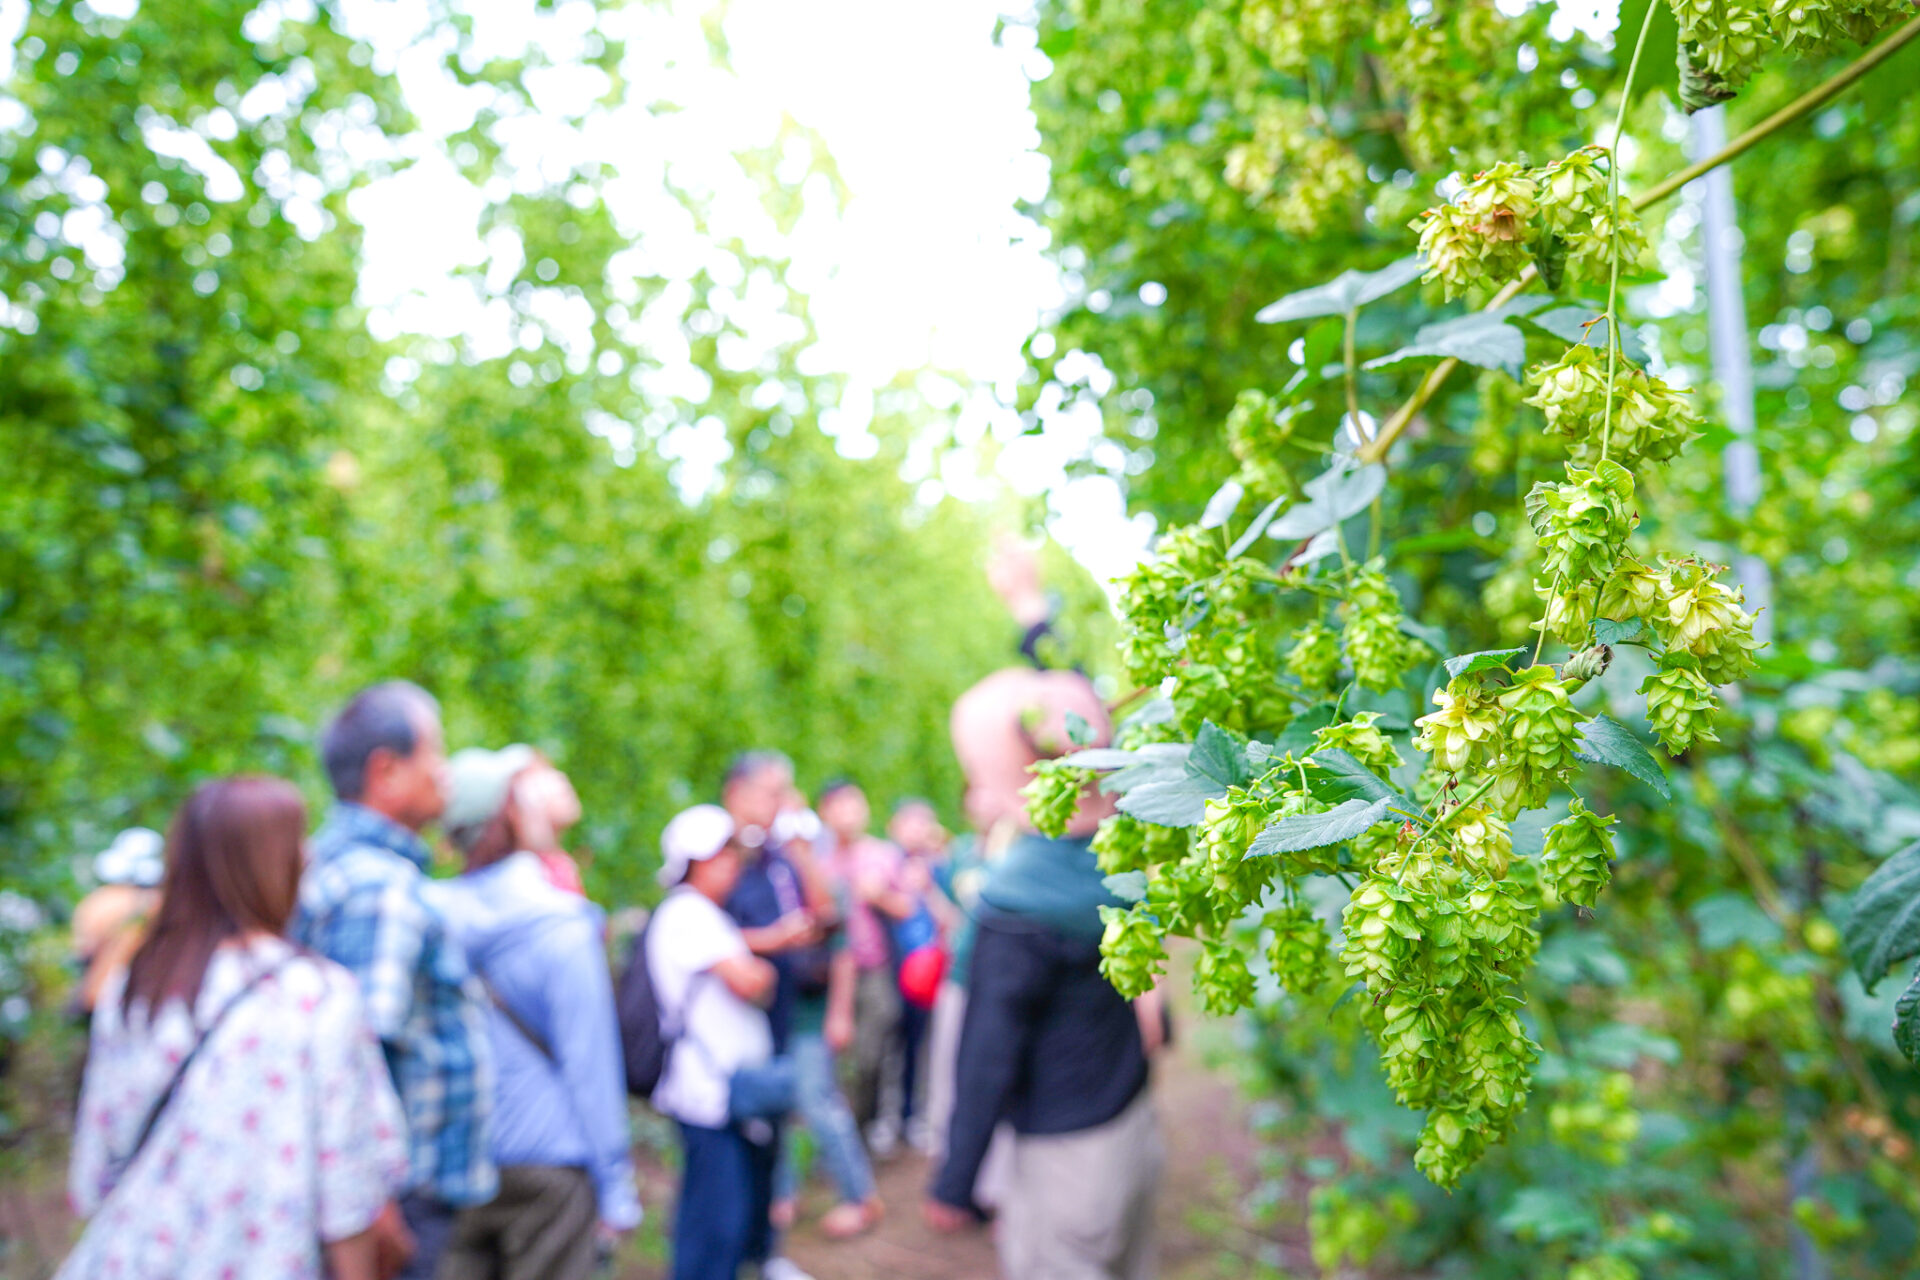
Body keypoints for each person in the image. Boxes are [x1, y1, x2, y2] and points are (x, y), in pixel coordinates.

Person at [63, 776, 409, 1280]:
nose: (308, 857)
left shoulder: (136, 986)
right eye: (297, 843)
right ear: (273, 864)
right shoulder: (318, 997)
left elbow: (94, 1168)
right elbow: (348, 1195)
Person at [926, 667, 1167, 1280]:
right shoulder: (1122, 857)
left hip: (1064, 1150)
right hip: (1130, 1120)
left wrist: (956, 1179)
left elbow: (988, 1055)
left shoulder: (1016, 905)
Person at [293, 681, 497, 1280]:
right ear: (386, 771)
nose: (445, 772)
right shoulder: (379, 887)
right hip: (395, 1199)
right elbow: (356, 1050)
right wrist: (373, 1200)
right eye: (435, 751)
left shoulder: (349, 868)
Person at [432, 746, 643, 1280]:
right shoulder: (561, 927)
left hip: (455, 1159)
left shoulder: (430, 916)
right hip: (551, 1165)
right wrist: (615, 1187)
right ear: (512, 816)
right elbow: (589, 1064)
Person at [647, 804, 780, 1280]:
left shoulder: (706, 914)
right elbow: (750, 981)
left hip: (720, 1090)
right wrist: (759, 972)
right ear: (693, 861)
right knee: (714, 1224)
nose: (731, 864)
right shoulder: (687, 912)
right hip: (706, 1091)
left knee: (720, 1214)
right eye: (720, 854)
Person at [718, 751, 824, 1280]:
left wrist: (803, 853)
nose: (782, 804)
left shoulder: (779, 855)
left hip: (778, 1020)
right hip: (727, 1032)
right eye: (772, 792)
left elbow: (824, 913)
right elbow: (694, 932)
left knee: (772, 1135)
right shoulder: (713, 855)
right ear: (737, 793)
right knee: (727, 1148)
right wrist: (772, 941)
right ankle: (728, 1255)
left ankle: (764, 1253)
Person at [768, 790, 880, 1241]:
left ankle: (859, 1196)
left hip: (812, 1017)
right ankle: (783, 1193)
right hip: (777, 1017)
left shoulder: (828, 887)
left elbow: (843, 954)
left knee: (819, 1104)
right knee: (776, 1105)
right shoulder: (769, 884)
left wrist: (839, 1014)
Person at [817, 780, 909, 1153]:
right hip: (825, 973)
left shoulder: (881, 854)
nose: (851, 814)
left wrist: (878, 896)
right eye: (841, 806)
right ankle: (832, 1138)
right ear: (825, 812)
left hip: (874, 970)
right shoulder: (816, 858)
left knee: (872, 1053)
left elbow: (907, 908)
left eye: (856, 805)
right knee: (828, 1056)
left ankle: (861, 1128)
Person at [69, 828, 164, 1016]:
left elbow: (82, 951)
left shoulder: (98, 900)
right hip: (135, 1001)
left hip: (96, 997)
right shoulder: (157, 905)